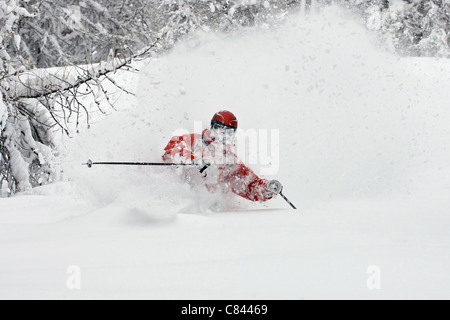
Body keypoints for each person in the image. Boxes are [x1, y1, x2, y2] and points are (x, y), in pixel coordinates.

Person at [162, 110, 283, 202]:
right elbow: (172, 150)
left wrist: (267, 188)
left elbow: (249, 186)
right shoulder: (194, 140)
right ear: (212, 127)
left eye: (228, 131)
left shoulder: (230, 162)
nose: (222, 134)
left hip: (202, 207)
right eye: (219, 128)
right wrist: (193, 159)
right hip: (173, 196)